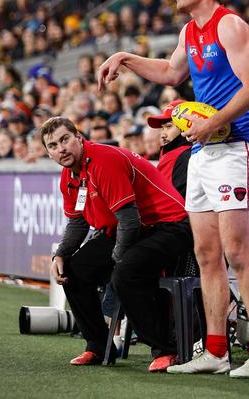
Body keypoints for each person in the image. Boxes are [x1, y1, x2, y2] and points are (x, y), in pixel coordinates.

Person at [96, 0, 249, 378]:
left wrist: (211, 122)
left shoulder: (230, 25)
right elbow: (170, 72)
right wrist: (124, 57)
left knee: (237, 253)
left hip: (236, 148)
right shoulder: (189, 31)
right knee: (206, 254)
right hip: (204, 153)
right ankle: (215, 351)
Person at [44, 117, 193, 373]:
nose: (61, 149)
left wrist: (117, 258)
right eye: (53, 145)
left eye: (65, 139)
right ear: (48, 152)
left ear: (79, 137)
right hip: (131, 229)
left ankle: (166, 350)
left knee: (126, 271)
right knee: (73, 269)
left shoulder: (103, 159)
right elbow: (78, 223)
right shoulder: (69, 176)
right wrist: (61, 254)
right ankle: (99, 345)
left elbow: (129, 219)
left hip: (170, 226)